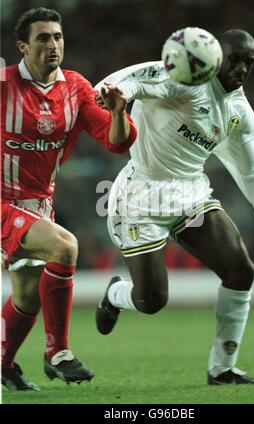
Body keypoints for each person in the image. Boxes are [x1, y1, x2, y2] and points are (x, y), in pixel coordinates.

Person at [95, 29, 254, 385]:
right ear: (217, 57)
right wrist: (117, 95)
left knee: (241, 271)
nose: (242, 68)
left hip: (191, 194)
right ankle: (115, 293)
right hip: (142, 196)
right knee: (152, 301)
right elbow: (130, 81)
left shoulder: (238, 111)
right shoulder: (181, 78)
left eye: (249, 62)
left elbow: (252, 167)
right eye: (235, 59)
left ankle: (223, 368)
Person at [1, 7, 137, 391]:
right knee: (65, 246)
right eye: (43, 38)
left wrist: (118, 113)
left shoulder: (76, 88)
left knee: (27, 297)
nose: (53, 45)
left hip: (38, 205)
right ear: (23, 46)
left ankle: (4, 364)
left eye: (57, 37)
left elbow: (117, 142)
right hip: (1, 201)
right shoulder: (3, 83)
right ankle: (57, 353)